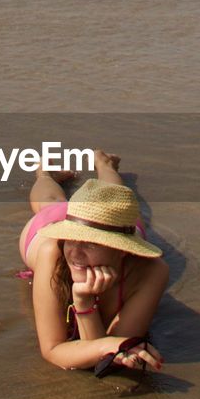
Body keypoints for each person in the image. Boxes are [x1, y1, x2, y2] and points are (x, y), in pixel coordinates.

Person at [18, 150, 168, 373]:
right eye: (73, 241)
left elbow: (105, 358)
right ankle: (44, 173)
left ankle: (105, 164)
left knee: (117, 196)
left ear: (122, 250)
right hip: (57, 223)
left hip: (110, 221)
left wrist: (84, 303)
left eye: (91, 244)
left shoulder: (151, 271)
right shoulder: (54, 251)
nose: (76, 253)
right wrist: (110, 344)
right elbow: (52, 350)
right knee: (51, 202)